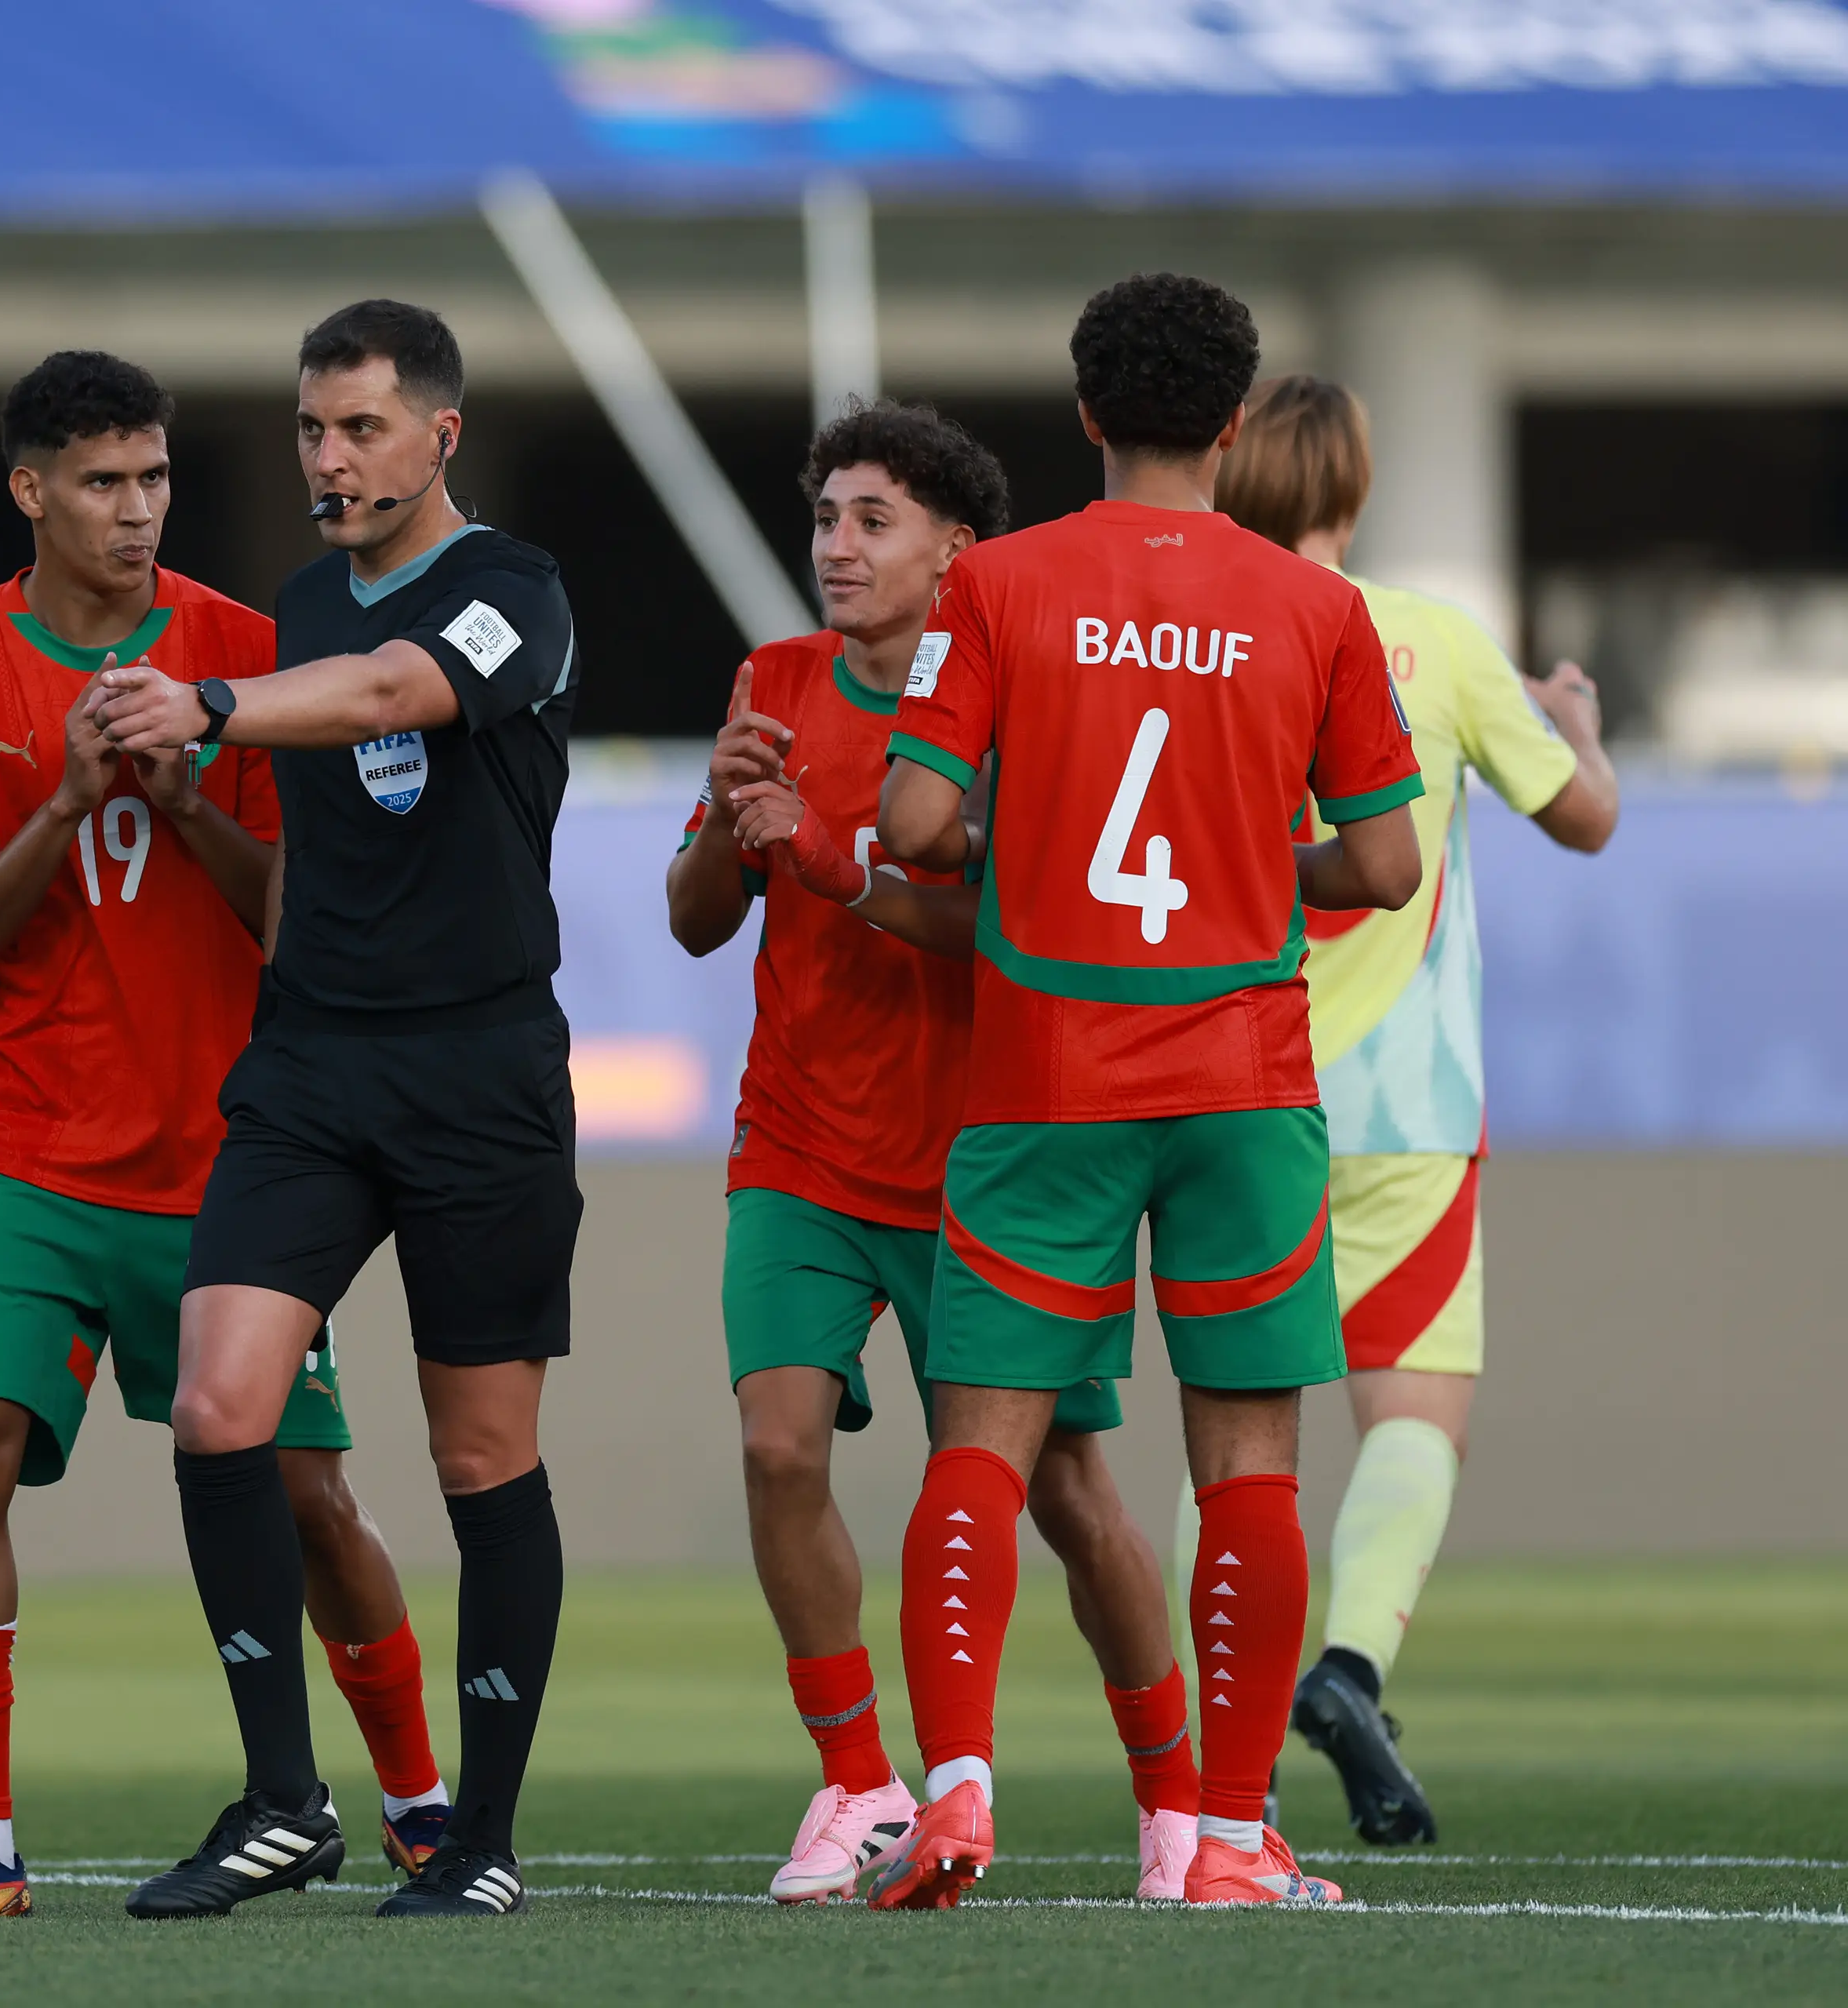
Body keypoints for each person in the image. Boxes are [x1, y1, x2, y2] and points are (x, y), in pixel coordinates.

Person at [0, 351, 447, 1922]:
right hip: (23, 1147)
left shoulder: (249, 654)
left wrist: (186, 797)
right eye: (105, 481)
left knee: (312, 1498)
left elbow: (301, 916)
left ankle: (423, 1802)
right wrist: (59, 802)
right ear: (30, 491)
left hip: (224, 1153)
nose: (137, 508)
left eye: (156, 477)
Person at [868, 273, 1424, 1911]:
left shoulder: (1001, 585)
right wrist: (1263, 857)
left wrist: (1012, 837)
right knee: (1249, 1457)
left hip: (1047, 1070)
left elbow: (908, 825)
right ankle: (1229, 1840)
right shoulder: (1317, 610)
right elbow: (1386, 862)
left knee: (981, 1444)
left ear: (1089, 411)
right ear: (1237, 424)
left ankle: (956, 1794)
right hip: (1244, 1082)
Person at [668, 398, 1204, 1905]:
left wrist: (831, 863)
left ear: (955, 548)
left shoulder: (1022, 684)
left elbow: (1007, 930)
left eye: (871, 519)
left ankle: (1178, 1808)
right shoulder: (774, 680)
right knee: (779, 1446)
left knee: (1072, 1495)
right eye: (826, 516)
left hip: (992, 1157)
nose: (836, 546)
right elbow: (697, 917)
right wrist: (728, 817)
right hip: (801, 1150)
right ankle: (854, 1782)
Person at [93, 299, 577, 1920]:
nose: (329, 457)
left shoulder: (517, 591)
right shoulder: (300, 599)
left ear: (441, 435)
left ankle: (480, 1835)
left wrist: (211, 707)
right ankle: (283, 1801)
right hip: (313, 1067)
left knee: (477, 1450)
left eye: (362, 427)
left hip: (478, 1072)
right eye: (311, 428)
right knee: (218, 1407)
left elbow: (391, 693)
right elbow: (312, 854)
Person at [1206, 373, 1617, 1846]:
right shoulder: (1435, 642)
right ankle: (1350, 1662)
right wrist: (1572, 718)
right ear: (1358, 494)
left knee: (1237, 1427)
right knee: (1414, 1411)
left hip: (1228, 1082)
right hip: (1406, 1099)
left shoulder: (1203, 632)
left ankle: (1215, 1765)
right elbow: (1583, 815)